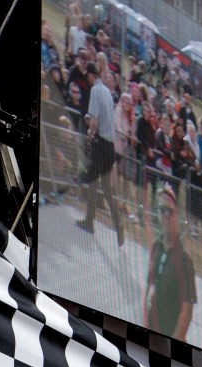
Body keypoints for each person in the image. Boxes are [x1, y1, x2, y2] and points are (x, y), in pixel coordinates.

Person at [77, 62, 123, 245]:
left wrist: (89, 130)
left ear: (90, 75)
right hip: (110, 146)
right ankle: (119, 226)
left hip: (101, 144)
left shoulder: (95, 90)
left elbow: (94, 121)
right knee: (106, 189)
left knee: (92, 182)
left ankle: (89, 221)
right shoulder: (108, 92)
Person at [144, 186, 197, 341]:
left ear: (177, 214)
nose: (166, 215)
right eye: (162, 210)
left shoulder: (184, 259)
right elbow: (148, 289)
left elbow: (187, 310)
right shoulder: (155, 247)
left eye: (170, 211)